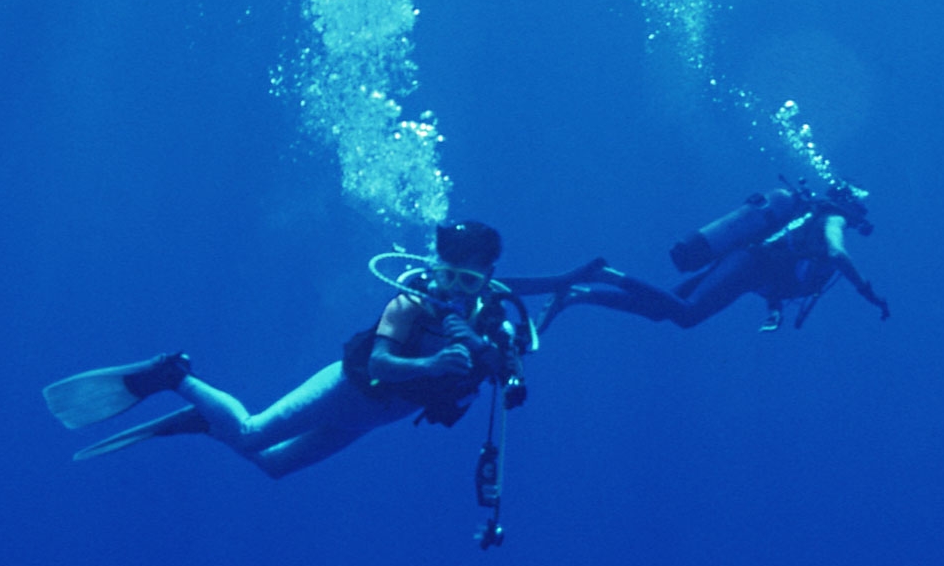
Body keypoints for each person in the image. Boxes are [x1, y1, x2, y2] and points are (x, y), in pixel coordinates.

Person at [44, 219, 530, 479]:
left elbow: (508, 365)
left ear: (487, 278)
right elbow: (380, 363)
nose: (455, 289)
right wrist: (433, 362)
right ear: (434, 266)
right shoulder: (407, 305)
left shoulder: (492, 321)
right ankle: (173, 376)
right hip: (349, 392)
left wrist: (497, 360)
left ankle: (208, 420)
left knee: (275, 466)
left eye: (468, 280)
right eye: (447, 275)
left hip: (375, 416)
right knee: (252, 435)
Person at [510, 180, 889, 334]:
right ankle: (604, 274)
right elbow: (837, 252)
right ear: (849, 206)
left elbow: (784, 267)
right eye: (860, 211)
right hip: (748, 265)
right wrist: (868, 292)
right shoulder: (832, 218)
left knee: (661, 310)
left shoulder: (807, 219)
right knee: (687, 314)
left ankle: (575, 296)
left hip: (745, 264)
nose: (860, 219)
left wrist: (773, 310)